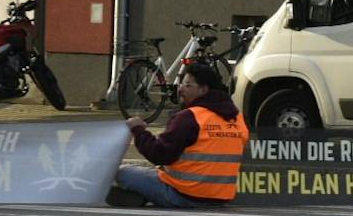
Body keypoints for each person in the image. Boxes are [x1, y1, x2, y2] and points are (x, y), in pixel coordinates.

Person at [107, 62, 249, 208]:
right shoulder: (238, 119)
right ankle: (141, 195)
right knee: (154, 173)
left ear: (203, 90)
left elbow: (159, 154)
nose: (180, 89)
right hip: (220, 198)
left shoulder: (190, 117)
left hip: (183, 196)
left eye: (188, 85)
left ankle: (140, 196)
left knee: (123, 173)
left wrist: (139, 131)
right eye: (181, 83)